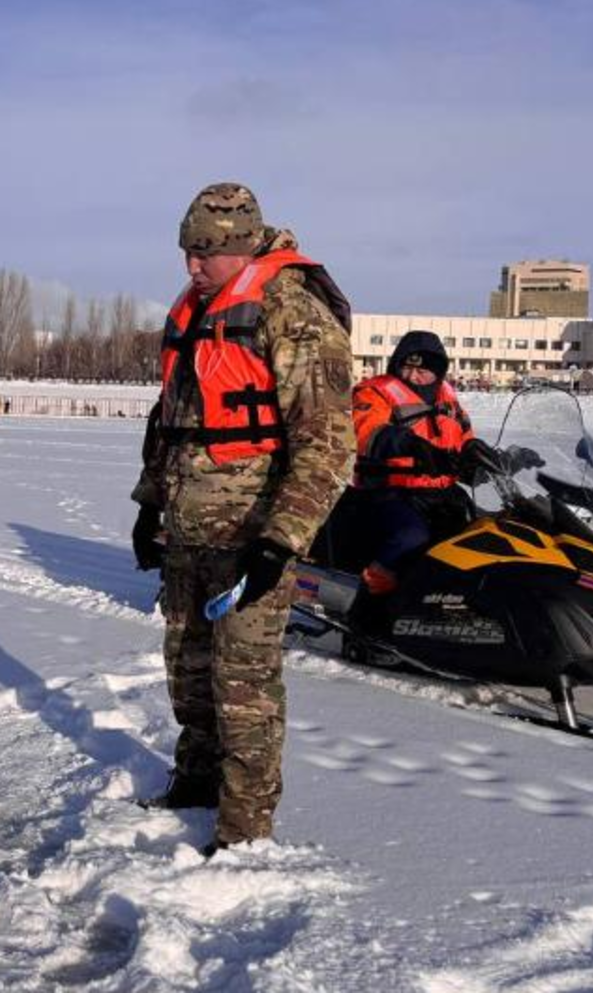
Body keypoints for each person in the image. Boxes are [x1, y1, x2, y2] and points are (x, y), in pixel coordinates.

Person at [130, 183, 355, 853]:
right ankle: (195, 785)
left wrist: (279, 543)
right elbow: (170, 419)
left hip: (251, 533)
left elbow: (327, 444)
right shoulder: (199, 310)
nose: (192, 268)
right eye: (187, 252)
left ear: (242, 246)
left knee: (244, 687)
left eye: (206, 254)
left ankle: (244, 830)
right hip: (187, 525)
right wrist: (149, 505)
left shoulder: (293, 311)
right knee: (189, 671)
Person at [347, 331, 535, 627]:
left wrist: (500, 461)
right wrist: (409, 445)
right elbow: (366, 433)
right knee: (412, 537)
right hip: (389, 493)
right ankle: (365, 613)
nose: (413, 375)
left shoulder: (449, 400)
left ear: (437, 371)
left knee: (484, 536)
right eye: (406, 367)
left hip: (442, 494)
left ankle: (464, 613)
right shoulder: (375, 392)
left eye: (422, 370)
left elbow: (465, 444)